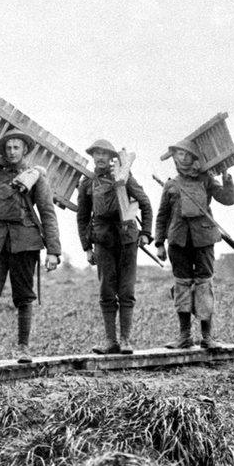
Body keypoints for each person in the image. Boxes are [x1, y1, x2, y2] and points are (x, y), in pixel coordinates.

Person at [0, 129, 61, 364]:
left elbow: (47, 213)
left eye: (17, 147)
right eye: (8, 148)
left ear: (25, 150)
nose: (12, 151)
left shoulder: (36, 177)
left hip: (26, 242)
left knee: (24, 297)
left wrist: (54, 251)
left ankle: (23, 349)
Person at [155, 140, 234, 349]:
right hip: (178, 241)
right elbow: (162, 216)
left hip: (204, 241)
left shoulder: (207, 180)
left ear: (193, 158)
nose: (181, 158)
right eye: (178, 154)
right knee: (181, 286)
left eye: (185, 154)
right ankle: (184, 336)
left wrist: (226, 179)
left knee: (204, 285)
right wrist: (159, 243)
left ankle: (207, 337)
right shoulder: (171, 185)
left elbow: (228, 199)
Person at [76, 140, 152, 354]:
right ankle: (111, 341)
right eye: (96, 154)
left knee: (126, 290)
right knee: (107, 291)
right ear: (92, 157)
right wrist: (87, 248)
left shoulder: (124, 176)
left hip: (127, 238)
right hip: (102, 240)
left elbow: (145, 203)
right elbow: (82, 217)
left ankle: (126, 340)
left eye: (104, 154)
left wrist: (145, 233)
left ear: (112, 158)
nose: (100, 157)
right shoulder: (87, 183)